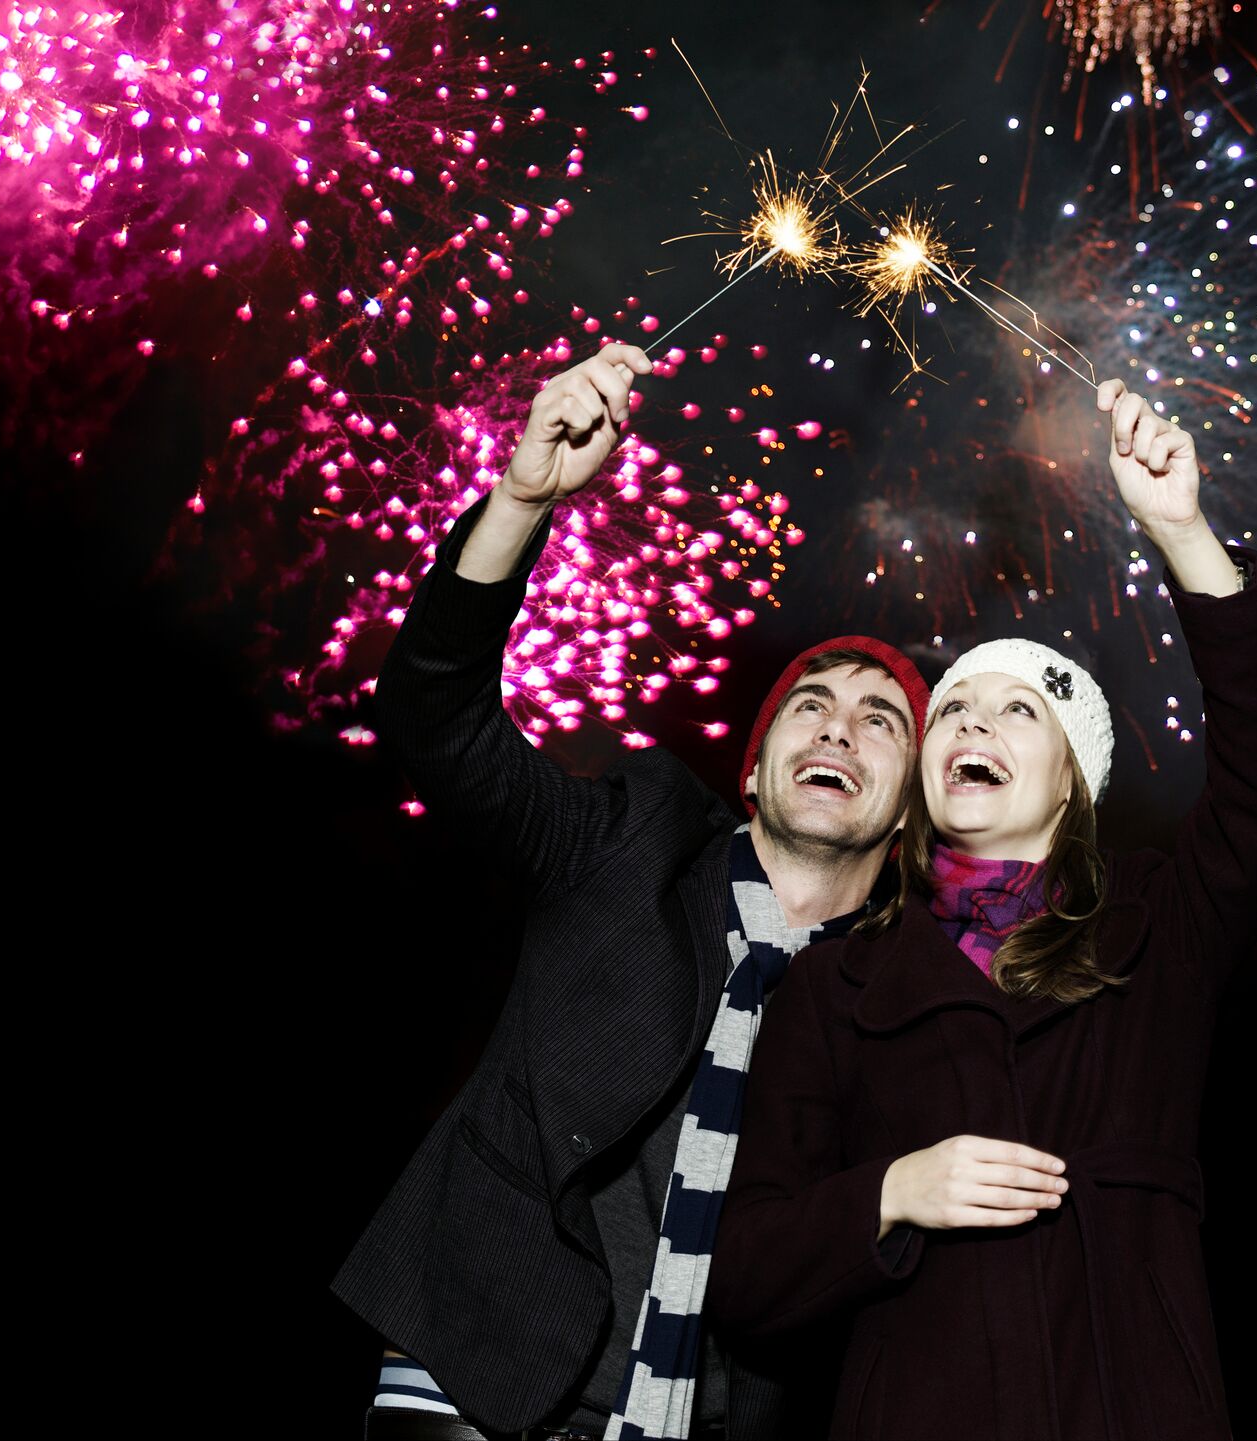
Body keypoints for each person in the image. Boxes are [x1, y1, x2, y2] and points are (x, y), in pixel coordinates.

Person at [332, 343, 932, 1441]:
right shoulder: (629, 841)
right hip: (473, 1381)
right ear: (754, 769)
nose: (838, 728)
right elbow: (435, 717)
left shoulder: (899, 1002)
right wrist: (523, 500)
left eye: (879, 720)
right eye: (809, 705)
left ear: (908, 810)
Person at [709, 379, 1257, 1439]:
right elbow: (745, 1274)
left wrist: (1183, 533)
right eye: (951, 707)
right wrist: (892, 1191)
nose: (970, 722)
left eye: (1016, 711)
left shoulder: (1162, 924)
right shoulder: (836, 984)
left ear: (1072, 781)